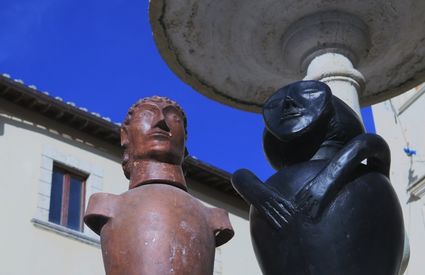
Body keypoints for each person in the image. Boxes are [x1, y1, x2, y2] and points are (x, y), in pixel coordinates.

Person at [232, 81, 404, 275]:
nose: (288, 102)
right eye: (277, 103)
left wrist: (328, 179)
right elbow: (370, 145)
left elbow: (373, 145)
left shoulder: (369, 176)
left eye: (308, 93)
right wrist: (243, 181)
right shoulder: (371, 178)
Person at [85, 96, 234, 275]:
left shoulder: (212, 216)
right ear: (125, 135)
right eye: (147, 115)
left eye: (173, 118)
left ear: (185, 140)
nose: (161, 122)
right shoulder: (106, 205)